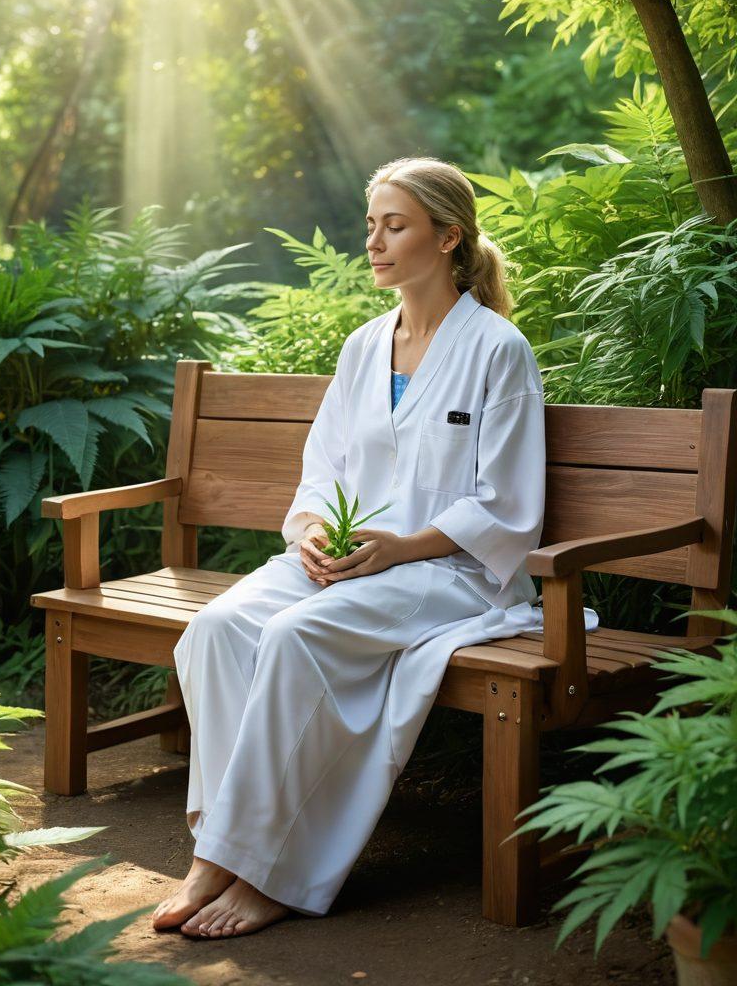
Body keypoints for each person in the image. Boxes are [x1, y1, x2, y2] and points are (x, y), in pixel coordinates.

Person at [151, 156, 597, 940]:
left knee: (295, 638)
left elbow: (506, 507)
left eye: (396, 225)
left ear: (448, 236)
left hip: (452, 573)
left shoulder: (498, 350)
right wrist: (318, 535)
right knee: (217, 630)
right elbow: (324, 468)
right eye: (372, 225)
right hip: (348, 558)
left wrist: (401, 549)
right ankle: (217, 850)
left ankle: (271, 873)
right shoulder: (363, 347)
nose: (375, 241)